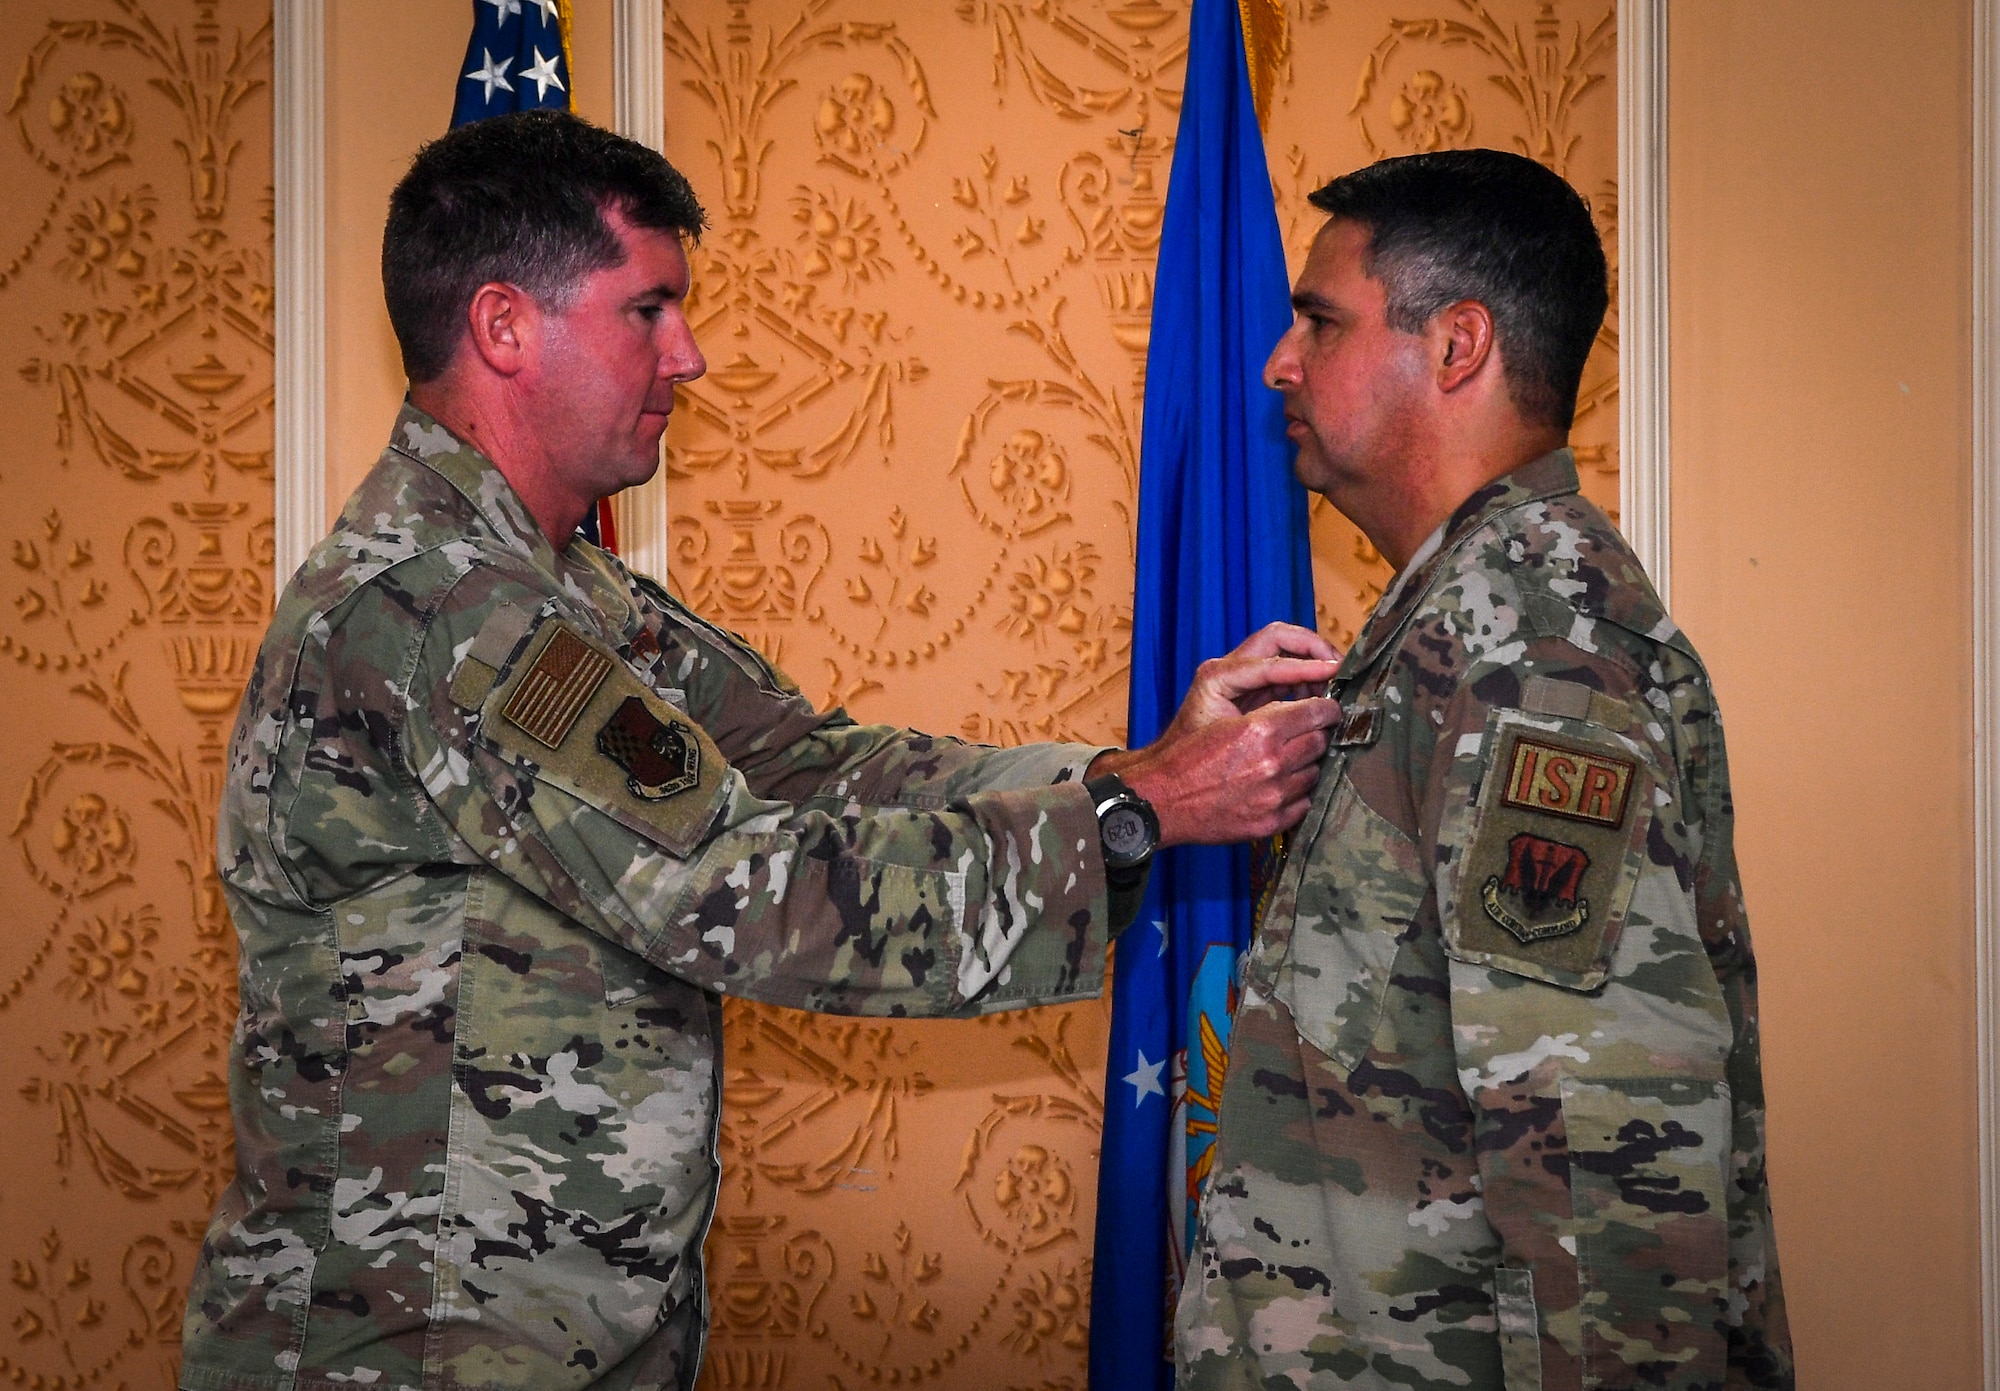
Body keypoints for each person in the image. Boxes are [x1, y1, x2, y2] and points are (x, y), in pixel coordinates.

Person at [178, 111, 1342, 1391]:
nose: (692, 354)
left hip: (554, 1333)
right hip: (412, 1344)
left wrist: (1143, 772)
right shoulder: (440, 613)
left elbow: (816, 769)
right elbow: (743, 884)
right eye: (649, 308)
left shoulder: (562, 592)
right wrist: (1135, 821)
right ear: (504, 326)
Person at [1174, 149, 1794, 1389]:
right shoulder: (1458, 623)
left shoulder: (1531, 650)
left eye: (1318, 320)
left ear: (1456, 345)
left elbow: (1603, 1170)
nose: (1276, 362)